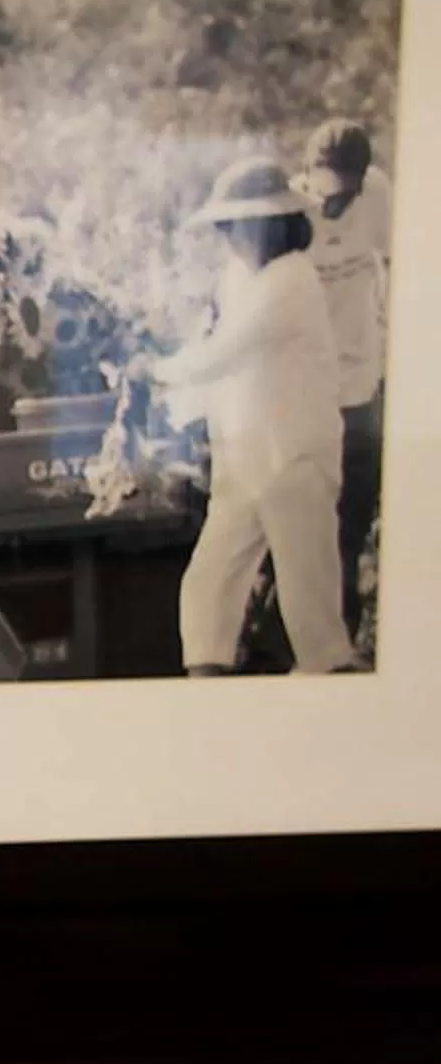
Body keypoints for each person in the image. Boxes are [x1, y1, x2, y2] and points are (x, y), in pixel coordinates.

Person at [156, 157, 357, 675]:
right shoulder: (241, 278)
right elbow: (216, 361)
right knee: (209, 580)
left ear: (266, 224)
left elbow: (225, 352)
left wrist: (156, 369)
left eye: (235, 225)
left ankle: (331, 674)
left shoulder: (291, 281)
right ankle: (207, 672)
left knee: (307, 589)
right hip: (246, 460)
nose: (227, 236)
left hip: (293, 457)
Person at [299, 119, 392, 634]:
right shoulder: (291, 211)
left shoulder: (377, 194)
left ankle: (345, 628)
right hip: (313, 390)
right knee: (313, 521)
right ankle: (308, 629)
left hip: (363, 383)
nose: (334, 209)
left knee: (353, 522)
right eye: (327, 199)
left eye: (344, 198)